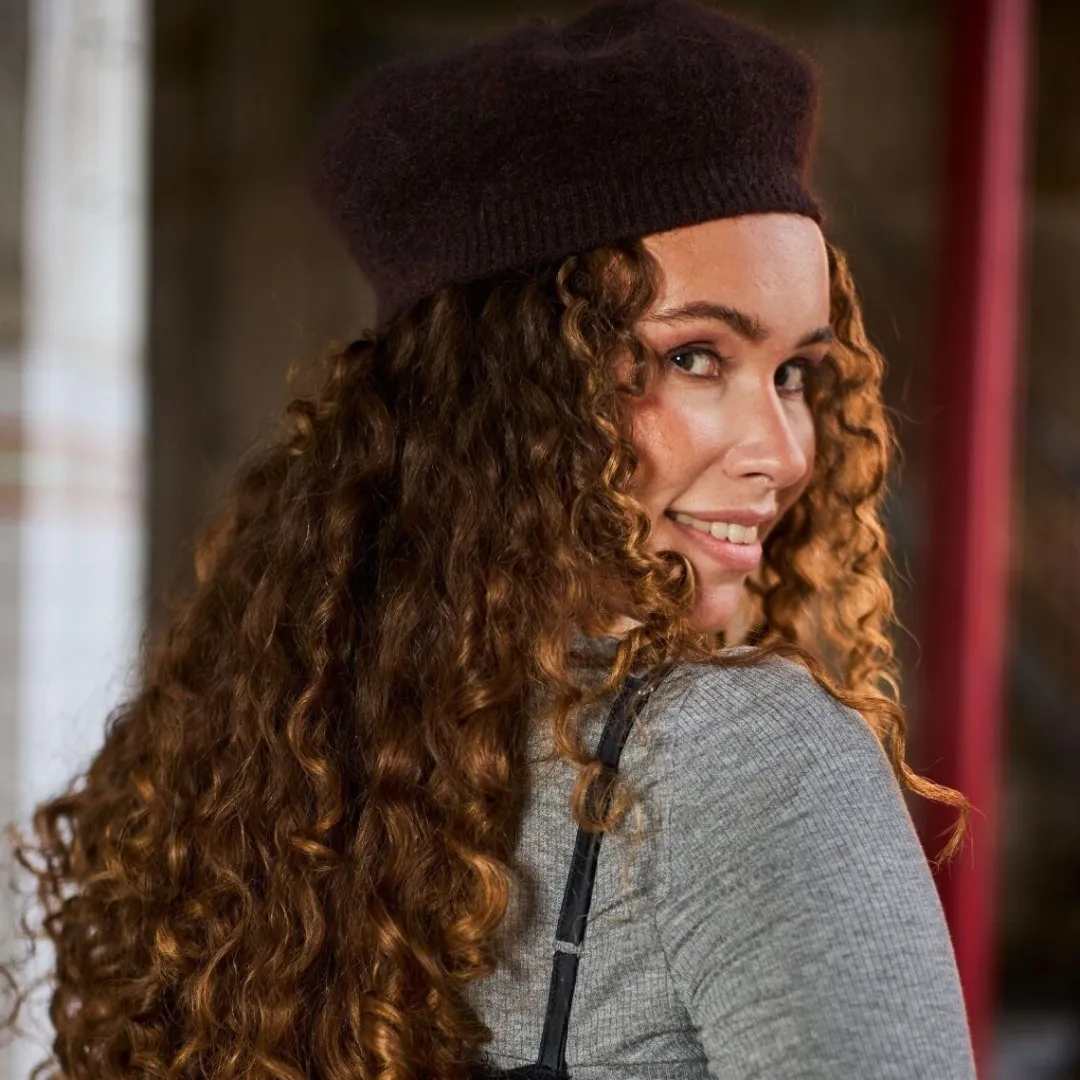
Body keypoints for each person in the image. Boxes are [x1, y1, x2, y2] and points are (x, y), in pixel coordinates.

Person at [2, 0, 978, 1077]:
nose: (787, 452)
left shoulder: (275, 763)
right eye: (696, 357)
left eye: (793, 372)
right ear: (513, 394)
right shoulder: (748, 756)